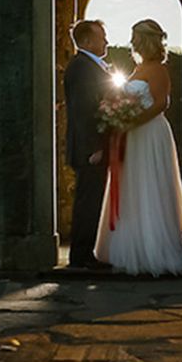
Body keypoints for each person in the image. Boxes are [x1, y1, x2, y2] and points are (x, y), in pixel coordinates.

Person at [95, 18, 182, 276]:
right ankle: (129, 243)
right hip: (132, 135)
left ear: (145, 40)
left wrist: (134, 120)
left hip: (149, 133)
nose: (132, 41)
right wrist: (118, 115)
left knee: (149, 186)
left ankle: (152, 248)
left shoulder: (157, 69)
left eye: (136, 37)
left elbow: (161, 104)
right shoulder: (139, 68)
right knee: (132, 187)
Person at [64, 19, 113, 270]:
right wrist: (94, 146)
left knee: (91, 200)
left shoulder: (88, 66)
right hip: (89, 149)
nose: (106, 40)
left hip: (91, 146)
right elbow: (83, 111)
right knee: (87, 201)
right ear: (85, 41)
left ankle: (85, 255)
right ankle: (81, 257)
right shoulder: (82, 68)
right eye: (101, 36)